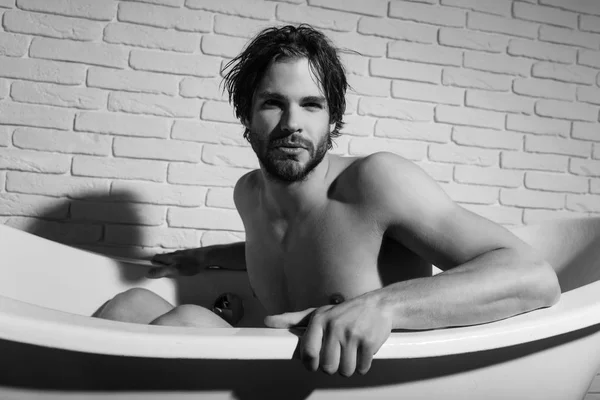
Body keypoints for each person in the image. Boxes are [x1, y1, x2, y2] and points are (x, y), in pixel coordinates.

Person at [95, 24, 561, 377]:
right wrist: (206, 258)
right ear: (247, 119)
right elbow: (289, 247)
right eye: (273, 103)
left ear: (332, 123)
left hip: (351, 384)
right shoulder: (249, 194)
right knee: (130, 305)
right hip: (271, 371)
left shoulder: (375, 183)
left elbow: (533, 277)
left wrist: (382, 307)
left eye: (312, 105)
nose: (292, 122)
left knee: (187, 322)